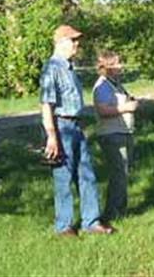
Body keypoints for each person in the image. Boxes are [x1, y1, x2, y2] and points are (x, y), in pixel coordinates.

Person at [40, 24, 114, 236]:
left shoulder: (70, 68)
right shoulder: (52, 68)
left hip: (76, 126)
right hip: (61, 126)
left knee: (87, 174)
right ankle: (64, 226)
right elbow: (46, 104)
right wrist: (51, 136)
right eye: (73, 40)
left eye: (76, 40)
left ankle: (91, 222)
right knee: (64, 178)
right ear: (61, 42)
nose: (76, 44)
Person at [93, 50, 139, 223]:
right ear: (108, 66)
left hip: (123, 132)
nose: (121, 66)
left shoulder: (116, 84)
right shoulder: (102, 86)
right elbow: (103, 110)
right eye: (118, 63)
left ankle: (121, 211)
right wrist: (127, 108)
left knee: (123, 173)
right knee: (118, 174)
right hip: (111, 135)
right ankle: (112, 214)